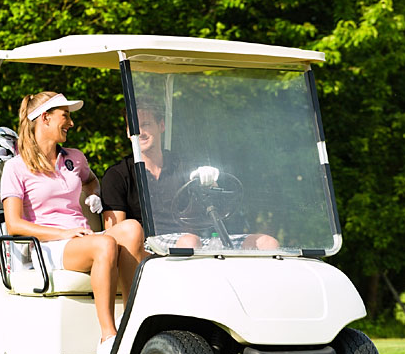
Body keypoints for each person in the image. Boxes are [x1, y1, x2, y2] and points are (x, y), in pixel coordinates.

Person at [0, 91, 145, 354]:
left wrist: (92, 194)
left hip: (80, 239)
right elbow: (14, 224)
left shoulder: (74, 159)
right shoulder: (16, 168)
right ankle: (108, 337)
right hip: (47, 247)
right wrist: (63, 233)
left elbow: (90, 181)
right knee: (105, 244)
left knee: (133, 229)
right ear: (44, 118)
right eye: (65, 116)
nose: (71, 123)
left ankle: (132, 323)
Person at [101, 103, 279, 251]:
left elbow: (216, 208)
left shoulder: (183, 165)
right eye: (133, 126)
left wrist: (211, 183)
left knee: (267, 243)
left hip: (196, 240)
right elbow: (116, 235)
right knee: (190, 242)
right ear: (127, 132)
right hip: (152, 247)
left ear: (161, 125)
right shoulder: (117, 175)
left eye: (146, 124)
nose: (140, 132)